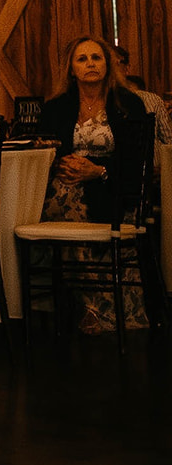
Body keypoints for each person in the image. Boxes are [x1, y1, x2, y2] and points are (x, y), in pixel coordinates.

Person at [36, 36, 153, 334]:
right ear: (71, 69)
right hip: (69, 186)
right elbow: (43, 150)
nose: (90, 64)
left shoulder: (128, 104)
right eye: (82, 59)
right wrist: (63, 163)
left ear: (107, 64)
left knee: (66, 200)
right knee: (63, 194)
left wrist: (98, 170)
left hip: (114, 188)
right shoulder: (56, 108)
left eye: (96, 58)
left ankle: (95, 309)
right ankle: (93, 306)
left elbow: (138, 160)